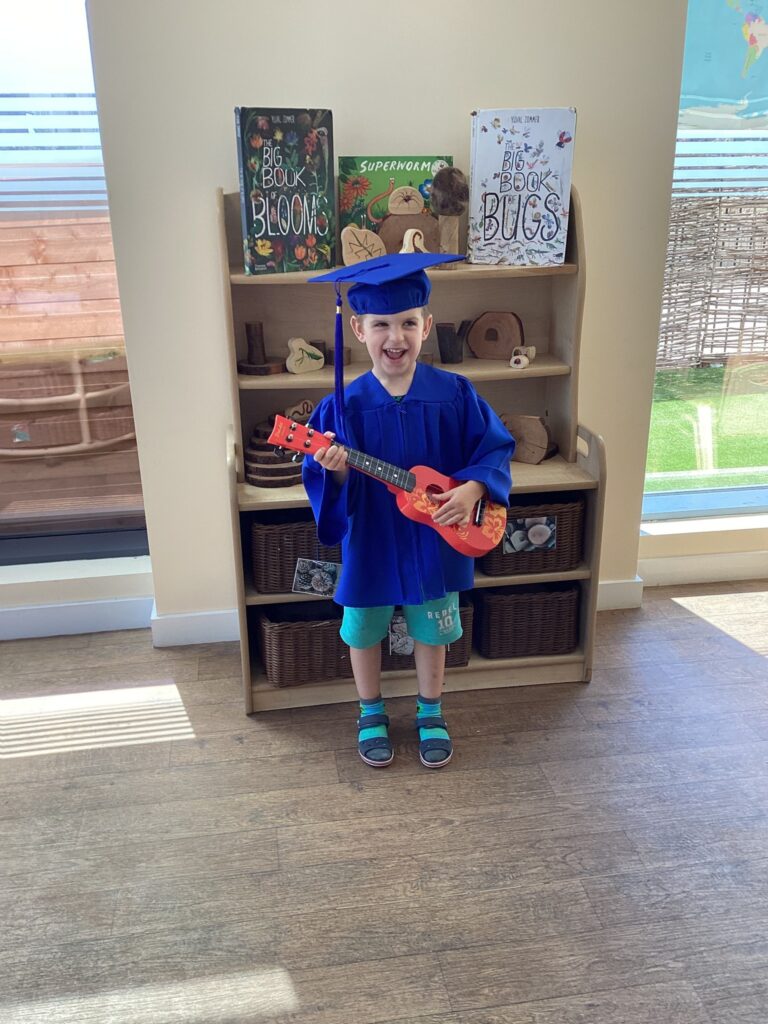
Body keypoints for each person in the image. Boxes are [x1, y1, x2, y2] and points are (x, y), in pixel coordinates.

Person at [302, 252, 515, 768]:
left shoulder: (454, 394)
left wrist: (471, 489)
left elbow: (492, 449)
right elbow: (329, 486)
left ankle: (430, 709)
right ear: (357, 328)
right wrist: (334, 468)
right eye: (381, 325)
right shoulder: (342, 407)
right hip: (372, 537)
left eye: (407, 323)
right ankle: (370, 710)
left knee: (432, 626)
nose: (394, 338)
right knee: (364, 628)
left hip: (433, 537)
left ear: (427, 326)